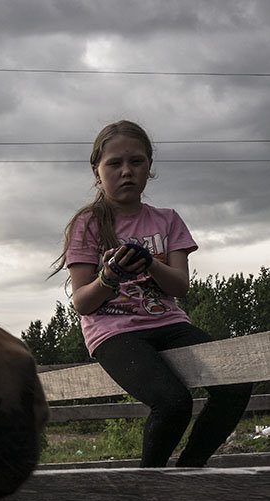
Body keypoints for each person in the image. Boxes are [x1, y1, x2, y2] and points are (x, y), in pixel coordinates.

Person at [51, 119, 252, 468]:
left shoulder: (168, 220)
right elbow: (82, 302)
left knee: (236, 384)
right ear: (97, 171)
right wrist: (110, 276)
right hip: (115, 333)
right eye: (114, 163)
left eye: (137, 161)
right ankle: (149, 488)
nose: (126, 171)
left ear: (149, 167)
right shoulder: (89, 224)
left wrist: (149, 265)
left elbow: (181, 287)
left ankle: (190, 470)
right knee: (173, 403)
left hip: (168, 322)